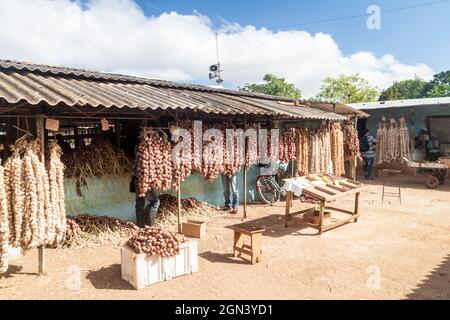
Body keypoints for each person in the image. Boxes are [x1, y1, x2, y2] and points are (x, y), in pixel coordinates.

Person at [133, 144, 160, 228]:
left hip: (136, 179)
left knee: (139, 203)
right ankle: (150, 224)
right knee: (155, 202)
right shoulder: (152, 149)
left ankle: (141, 226)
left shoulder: (137, 148)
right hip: (148, 180)